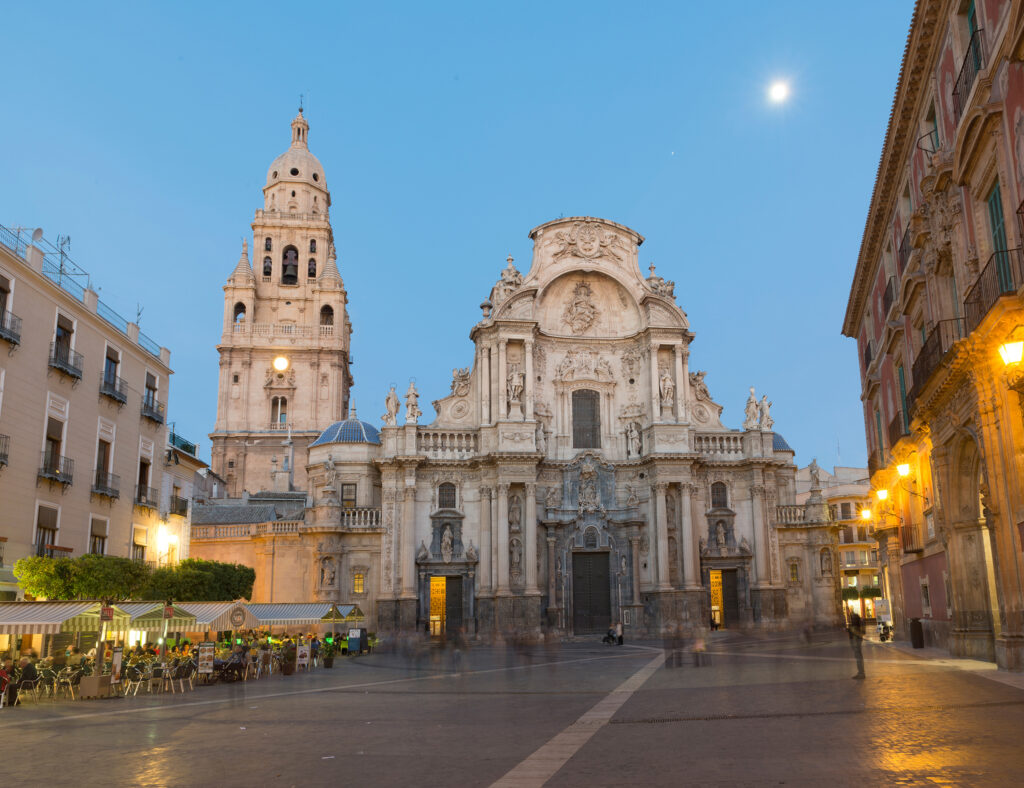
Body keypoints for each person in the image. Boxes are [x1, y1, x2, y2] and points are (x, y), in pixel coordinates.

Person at [848, 612, 866, 679]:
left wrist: (852, 630)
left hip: (856, 643)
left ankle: (861, 673)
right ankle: (860, 672)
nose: (852, 620)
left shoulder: (857, 626)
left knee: (859, 658)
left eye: (853, 619)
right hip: (855, 643)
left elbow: (861, 633)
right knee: (858, 658)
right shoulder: (855, 626)